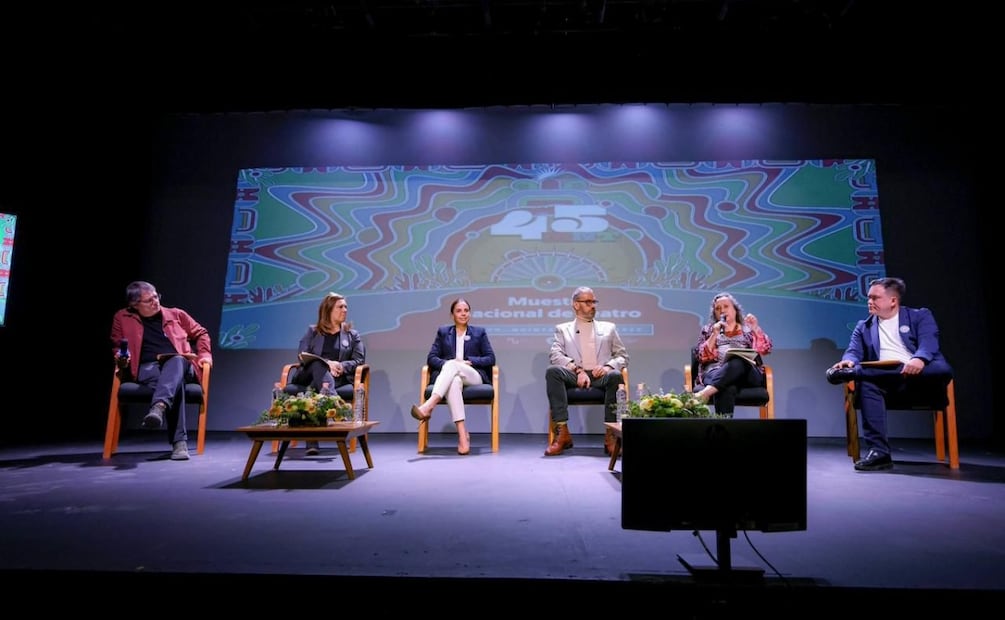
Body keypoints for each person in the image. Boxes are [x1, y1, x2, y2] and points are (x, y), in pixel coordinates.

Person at [826, 277, 953, 472]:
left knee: (941, 369)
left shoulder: (920, 316)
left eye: (875, 298)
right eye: (868, 297)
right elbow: (853, 351)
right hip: (887, 382)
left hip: (922, 377)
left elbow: (930, 341)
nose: (870, 302)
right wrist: (849, 360)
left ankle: (858, 372)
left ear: (893, 301)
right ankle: (879, 453)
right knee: (868, 383)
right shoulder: (864, 326)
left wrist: (919, 358)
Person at [110, 281, 213, 461]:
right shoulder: (122, 318)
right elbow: (117, 345)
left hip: (181, 364)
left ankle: (158, 407)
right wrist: (121, 357)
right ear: (134, 305)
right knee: (174, 382)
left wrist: (205, 354)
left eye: (156, 296)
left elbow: (201, 333)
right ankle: (179, 443)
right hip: (146, 369)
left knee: (177, 360)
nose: (155, 302)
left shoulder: (176, 314)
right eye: (148, 300)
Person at [544, 286, 628, 457]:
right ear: (576, 305)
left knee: (615, 376)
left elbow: (623, 356)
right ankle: (562, 432)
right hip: (575, 375)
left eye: (593, 302)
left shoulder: (609, 328)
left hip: (600, 376)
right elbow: (555, 355)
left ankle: (611, 435)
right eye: (587, 302)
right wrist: (577, 369)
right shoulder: (563, 329)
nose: (593, 305)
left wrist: (608, 366)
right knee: (553, 371)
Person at [410, 298, 496, 455]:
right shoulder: (443, 332)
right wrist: (450, 364)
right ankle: (463, 436)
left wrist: (469, 361)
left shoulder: (479, 332)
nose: (463, 314)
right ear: (452, 315)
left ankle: (429, 405)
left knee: (453, 365)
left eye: (466, 310)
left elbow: (491, 358)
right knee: (453, 377)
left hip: (473, 376)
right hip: (452, 376)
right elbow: (431, 358)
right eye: (459, 311)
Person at [288, 292, 366, 455]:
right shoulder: (313, 331)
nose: (345, 310)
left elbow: (359, 360)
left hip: (337, 379)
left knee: (315, 387)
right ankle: (334, 402)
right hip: (308, 374)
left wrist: (341, 366)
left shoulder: (352, 335)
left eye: (346, 307)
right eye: (340, 307)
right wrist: (327, 364)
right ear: (328, 310)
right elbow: (302, 355)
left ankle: (312, 442)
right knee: (318, 365)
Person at [691, 292, 773, 416]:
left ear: (735, 310)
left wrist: (756, 329)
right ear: (715, 314)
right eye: (718, 309)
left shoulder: (748, 329)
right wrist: (715, 334)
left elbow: (765, 349)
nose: (722, 311)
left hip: (748, 374)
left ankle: (706, 393)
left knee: (738, 361)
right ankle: (723, 430)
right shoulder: (710, 329)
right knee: (727, 387)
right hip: (716, 372)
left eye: (726, 306)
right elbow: (701, 356)